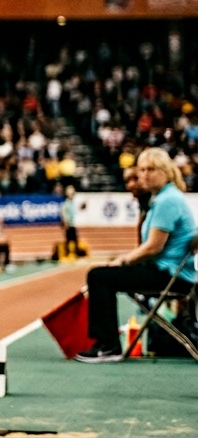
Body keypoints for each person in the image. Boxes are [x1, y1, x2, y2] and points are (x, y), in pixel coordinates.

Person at [75, 148, 196, 362]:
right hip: (169, 272)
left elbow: (153, 247)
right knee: (102, 275)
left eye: (151, 169)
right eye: (141, 170)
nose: (145, 175)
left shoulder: (167, 200)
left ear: (166, 172)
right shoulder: (163, 198)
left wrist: (122, 261)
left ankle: (107, 346)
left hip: (171, 276)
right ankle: (106, 344)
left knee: (99, 277)